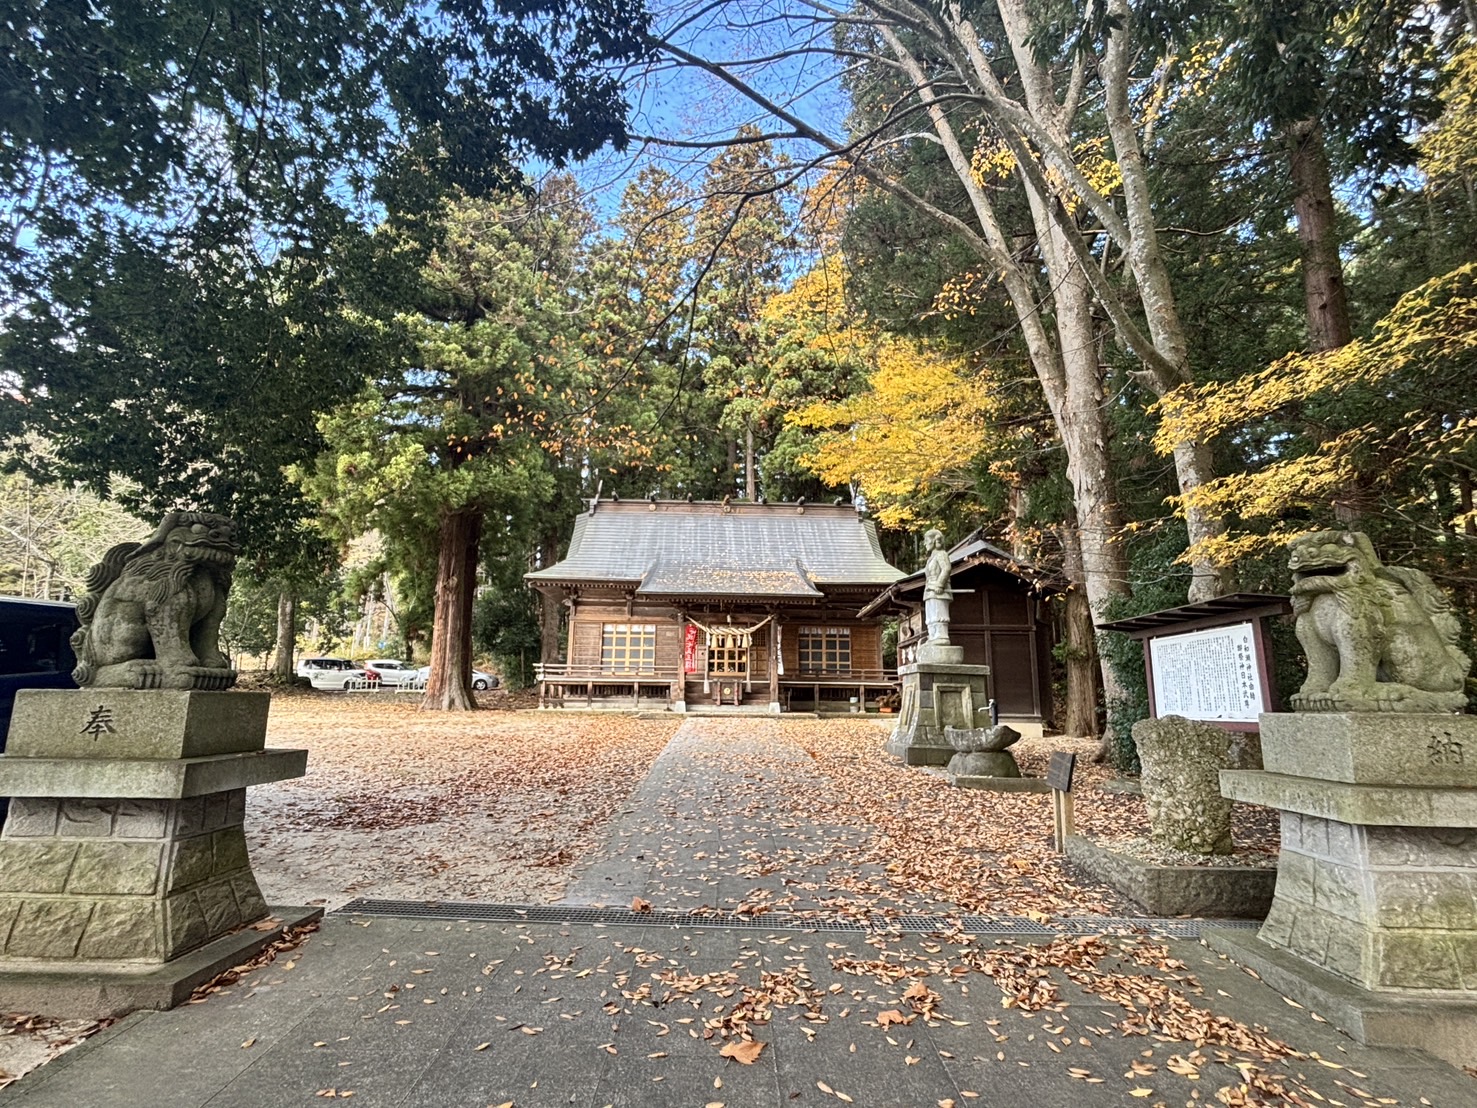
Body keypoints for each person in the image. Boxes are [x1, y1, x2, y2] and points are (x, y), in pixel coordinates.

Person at [922, 529, 952, 644]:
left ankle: (941, 636)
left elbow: (946, 568)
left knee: (939, 613)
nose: (925, 543)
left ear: (934, 540)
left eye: (926, 540)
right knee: (931, 613)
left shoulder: (941, 554)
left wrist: (940, 584)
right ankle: (933, 635)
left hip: (939, 589)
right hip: (930, 589)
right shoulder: (931, 558)